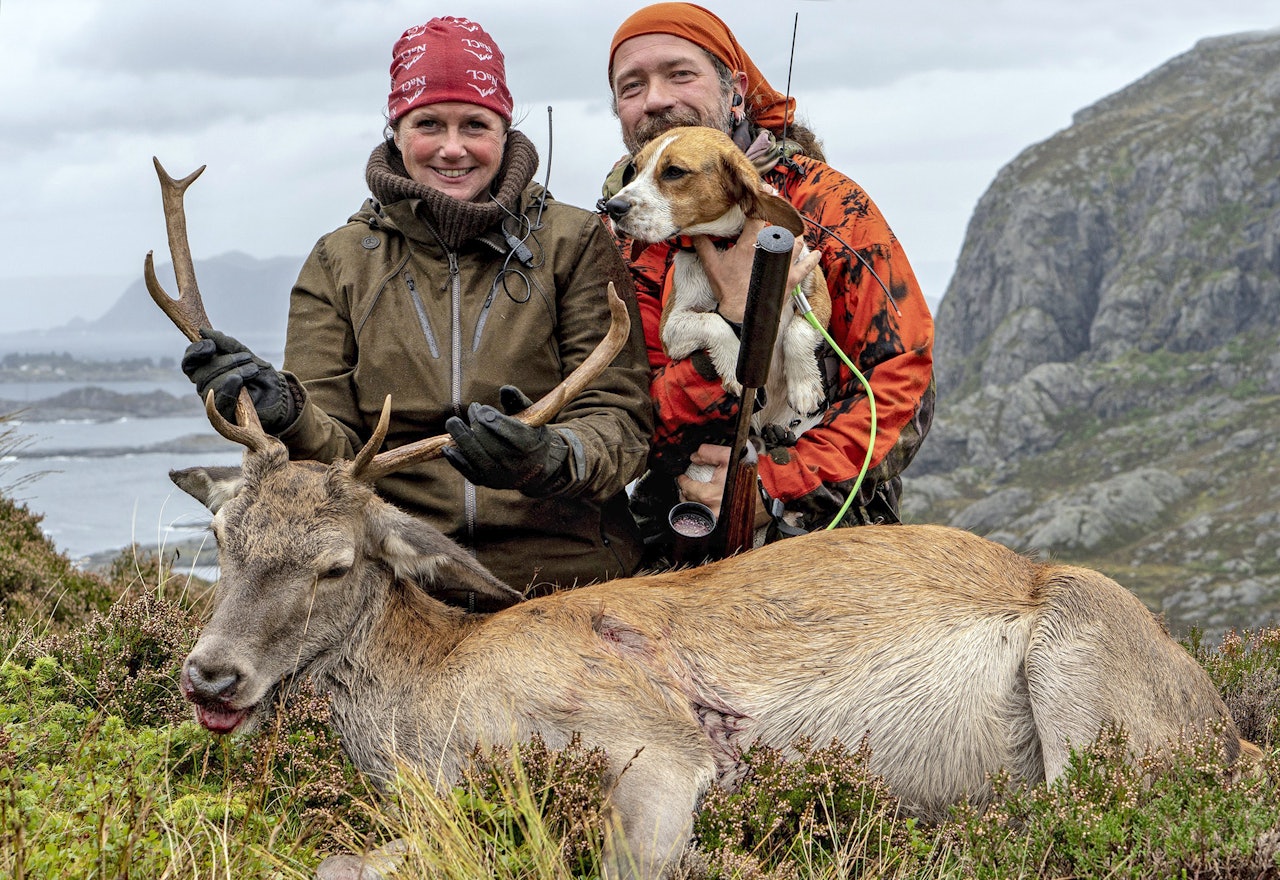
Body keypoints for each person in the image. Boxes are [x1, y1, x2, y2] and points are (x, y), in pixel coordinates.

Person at [181, 16, 653, 593]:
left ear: (504, 132)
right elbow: (335, 462)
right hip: (402, 584)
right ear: (397, 132)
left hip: (568, 577)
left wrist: (550, 458)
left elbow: (621, 418)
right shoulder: (340, 261)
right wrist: (285, 413)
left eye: (475, 124)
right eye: (429, 123)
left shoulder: (573, 242)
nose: (453, 149)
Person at [602, 3, 936, 561]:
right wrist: (733, 320)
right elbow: (620, 414)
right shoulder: (615, 236)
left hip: (825, 530)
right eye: (631, 86)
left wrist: (771, 488)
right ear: (618, 109)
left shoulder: (830, 205)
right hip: (674, 529)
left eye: (680, 73)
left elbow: (902, 383)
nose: (656, 98)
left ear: (735, 91)